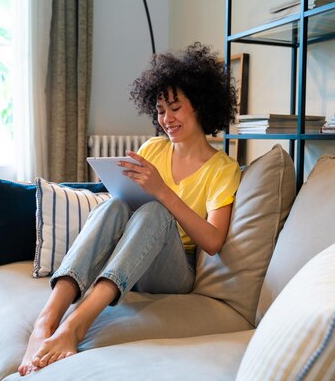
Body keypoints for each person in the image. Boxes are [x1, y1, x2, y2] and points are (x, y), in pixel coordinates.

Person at [18, 42, 242, 376]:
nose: (166, 119)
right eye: (161, 110)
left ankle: (75, 326)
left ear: (202, 106)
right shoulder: (153, 147)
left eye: (175, 108)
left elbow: (212, 241)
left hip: (174, 270)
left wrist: (162, 192)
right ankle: (46, 320)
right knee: (114, 206)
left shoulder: (223, 168)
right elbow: (124, 202)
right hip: (129, 263)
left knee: (154, 211)